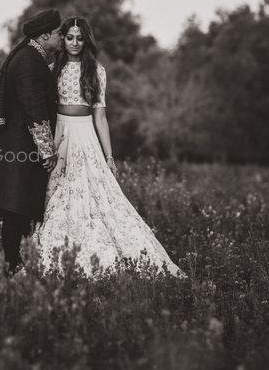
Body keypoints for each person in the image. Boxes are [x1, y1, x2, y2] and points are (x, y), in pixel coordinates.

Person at [30, 16, 188, 279]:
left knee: (95, 194)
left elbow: (100, 117)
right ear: (63, 38)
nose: (74, 43)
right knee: (56, 191)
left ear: (86, 40)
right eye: (69, 37)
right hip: (59, 132)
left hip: (85, 133)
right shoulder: (52, 68)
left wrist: (109, 156)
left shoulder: (96, 70)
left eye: (80, 38)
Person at [0, 9, 62, 274]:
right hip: (21, 151)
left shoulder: (29, 56)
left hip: (17, 149)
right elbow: (34, 108)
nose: (61, 39)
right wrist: (48, 151)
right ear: (45, 35)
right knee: (15, 212)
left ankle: (15, 268)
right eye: (59, 34)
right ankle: (12, 269)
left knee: (18, 212)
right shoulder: (29, 61)